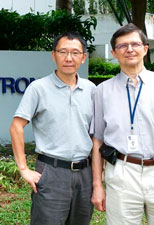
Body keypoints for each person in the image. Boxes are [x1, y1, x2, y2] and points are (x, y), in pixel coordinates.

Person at [91, 23, 154, 225]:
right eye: (122, 46)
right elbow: (97, 141)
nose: (129, 49)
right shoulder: (102, 91)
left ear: (145, 49)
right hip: (121, 172)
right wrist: (97, 185)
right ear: (114, 52)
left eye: (135, 44)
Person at [9, 32, 95, 225]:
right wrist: (23, 168)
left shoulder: (91, 90)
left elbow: (96, 134)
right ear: (53, 54)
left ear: (83, 57)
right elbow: (16, 127)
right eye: (63, 52)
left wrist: (98, 175)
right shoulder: (38, 88)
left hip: (85, 173)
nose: (68, 58)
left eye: (75, 52)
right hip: (51, 172)